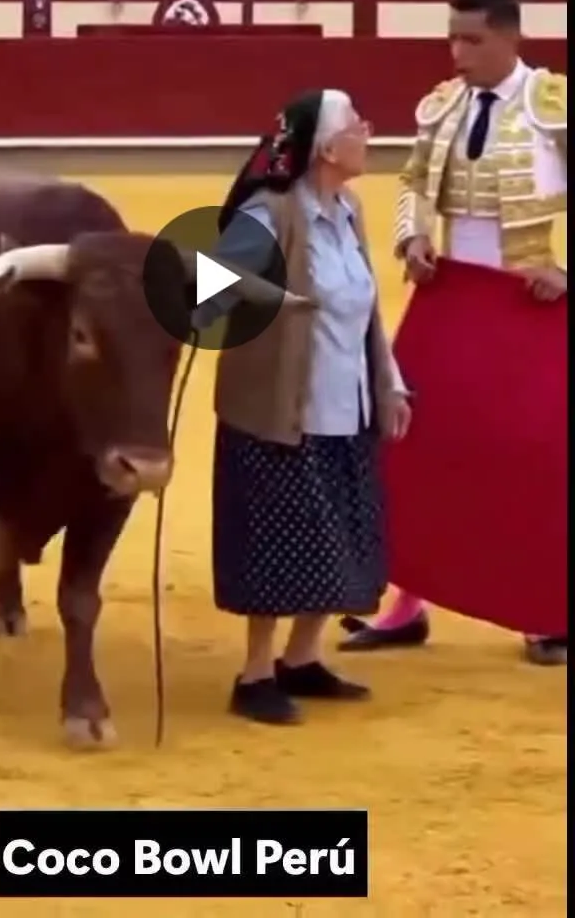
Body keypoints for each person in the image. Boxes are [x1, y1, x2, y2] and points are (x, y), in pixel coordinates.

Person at [339, 0, 567, 666]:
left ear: (507, 38)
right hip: (451, 297)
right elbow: (412, 181)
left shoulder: (551, 105)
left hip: (532, 302)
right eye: (453, 40)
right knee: (411, 444)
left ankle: (548, 608)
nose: (457, 54)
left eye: (471, 41)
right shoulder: (444, 106)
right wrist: (412, 239)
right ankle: (407, 603)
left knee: (540, 458)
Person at [199, 89, 412, 726]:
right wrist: (264, 295)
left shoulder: (348, 210)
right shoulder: (268, 216)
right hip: (278, 409)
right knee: (276, 543)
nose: (368, 134)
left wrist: (391, 384)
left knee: (342, 537)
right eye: (357, 126)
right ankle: (255, 672)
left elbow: (366, 311)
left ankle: (301, 658)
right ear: (324, 147)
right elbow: (208, 295)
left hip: (346, 406)